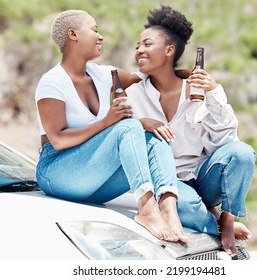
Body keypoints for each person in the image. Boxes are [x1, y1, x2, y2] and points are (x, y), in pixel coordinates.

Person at [34, 9, 192, 243]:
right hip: (57, 173)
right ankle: (147, 210)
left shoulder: (104, 75)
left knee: (154, 135)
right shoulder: (52, 81)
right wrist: (108, 121)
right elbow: (58, 140)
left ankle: (169, 211)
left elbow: (150, 75)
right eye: (94, 30)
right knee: (128, 127)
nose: (101, 37)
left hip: (92, 181)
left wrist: (189, 75)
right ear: (73, 34)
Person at [125, 5, 256, 256]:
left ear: (169, 50)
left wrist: (215, 93)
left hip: (202, 177)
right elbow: (122, 135)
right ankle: (214, 224)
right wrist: (140, 123)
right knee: (185, 207)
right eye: (136, 46)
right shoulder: (133, 93)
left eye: (146, 44)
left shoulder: (197, 89)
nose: (139, 51)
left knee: (242, 153)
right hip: (168, 184)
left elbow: (227, 142)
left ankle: (227, 218)